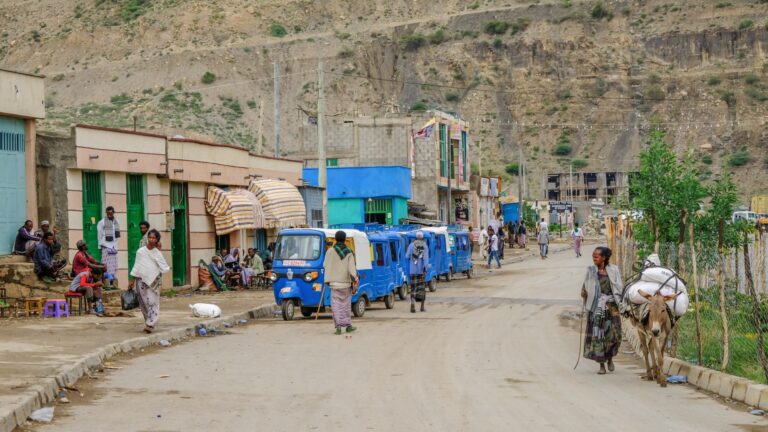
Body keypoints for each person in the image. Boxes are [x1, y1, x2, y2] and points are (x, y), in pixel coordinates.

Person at [580, 246, 625, 375]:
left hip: (611, 307)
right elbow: (586, 287)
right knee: (598, 336)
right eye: (593, 256)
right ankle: (601, 365)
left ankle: (610, 358)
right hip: (596, 308)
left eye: (596, 256)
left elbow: (618, 287)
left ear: (604, 258)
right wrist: (584, 293)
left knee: (614, 335)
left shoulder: (614, 270)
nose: (594, 258)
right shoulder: (590, 271)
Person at [130, 229, 170, 333]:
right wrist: (132, 280)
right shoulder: (141, 251)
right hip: (140, 280)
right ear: (147, 238)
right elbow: (136, 266)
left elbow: (164, 267)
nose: (151, 240)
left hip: (153, 281)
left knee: (152, 302)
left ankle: (151, 323)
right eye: (150, 237)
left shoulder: (157, 253)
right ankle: (148, 320)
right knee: (143, 302)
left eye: (154, 238)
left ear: (157, 240)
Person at [322, 230, 359, 334]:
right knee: (346, 306)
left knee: (336, 305)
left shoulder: (329, 251)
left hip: (334, 284)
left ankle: (338, 327)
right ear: (345, 239)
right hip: (345, 284)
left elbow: (325, 265)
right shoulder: (349, 251)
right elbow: (352, 270)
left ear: (336, 239)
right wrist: (356, 279)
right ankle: (348, 326)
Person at [406, 231, 430, 313]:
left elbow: (407, 256)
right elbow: (426, 260)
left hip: (412, 270)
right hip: (421, 271)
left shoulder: (411, 245)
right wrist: (425, 270)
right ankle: (422, 307)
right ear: (422, 238)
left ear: (415, 238)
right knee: (422, 289)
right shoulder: (425, 246)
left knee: (413, 288)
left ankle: (412, 305)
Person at [97, 206, 121, 284]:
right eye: (108, 214)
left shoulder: (117, 221)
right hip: (106, 245)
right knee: (106, 263)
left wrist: (115, 245)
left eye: (111, 213)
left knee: (114, 263)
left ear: (113, 213)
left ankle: (113, 277)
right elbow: (99, 234)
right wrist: (100, 245)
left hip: (114, 246)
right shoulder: (102, 222)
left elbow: (116, 235)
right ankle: (107, 277)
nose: (109, 215)